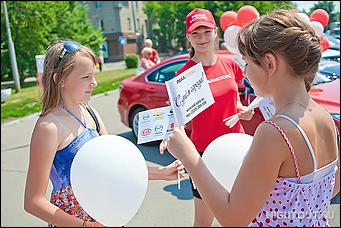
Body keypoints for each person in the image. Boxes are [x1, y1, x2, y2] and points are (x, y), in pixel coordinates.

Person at [164, 9, 340, 227]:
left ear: (269, 63)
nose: (245, 73)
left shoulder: (275, 132)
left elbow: (233, 219)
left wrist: (188, 156)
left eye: (247, 63)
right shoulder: (327, 119)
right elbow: (331, 186)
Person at [24, 38, 185, 227]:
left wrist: (162, 173)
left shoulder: (90, 112)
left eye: (93, 76)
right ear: (59, 79)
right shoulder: (48, 128)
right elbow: (33, 202)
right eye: (86, 77)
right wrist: (86, 226)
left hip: (107, 216)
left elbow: (116, 166)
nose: (94, 83)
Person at [160, 8, 254, 227]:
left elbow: (234, 99)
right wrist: (169, 134)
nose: (201, 38)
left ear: (215, 32)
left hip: (237, 149)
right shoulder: (184, 74)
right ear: (188, 38)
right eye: (195, 33)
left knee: (243, 216)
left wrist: (243, 109)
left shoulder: (230, 64)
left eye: (206, 31)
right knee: (203, 221)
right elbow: (178, 118)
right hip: (204, 155)